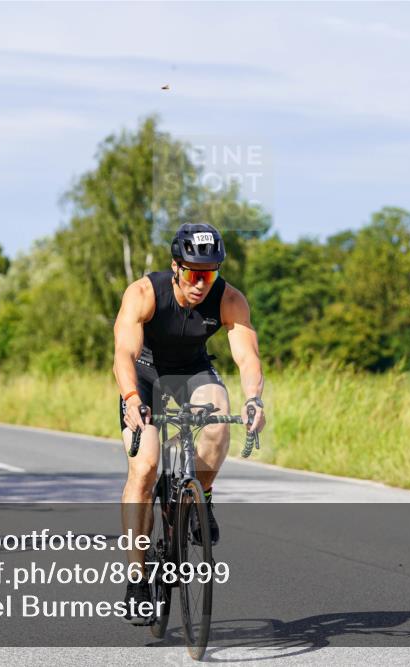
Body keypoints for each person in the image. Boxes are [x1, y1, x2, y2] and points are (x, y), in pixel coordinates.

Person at [113, 222, 266, 623]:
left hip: (193, 373)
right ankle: (136, 579)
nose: (202, 282)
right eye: (194, 272)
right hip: (145, 378)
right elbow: (124, 354)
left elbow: (247, 358)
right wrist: (130, 399)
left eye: (210, 272)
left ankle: (201, 496)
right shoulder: (145, 293)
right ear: (175, 267)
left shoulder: (228, 299)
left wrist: (254, 400)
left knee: (218, 420)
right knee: (144, 467)